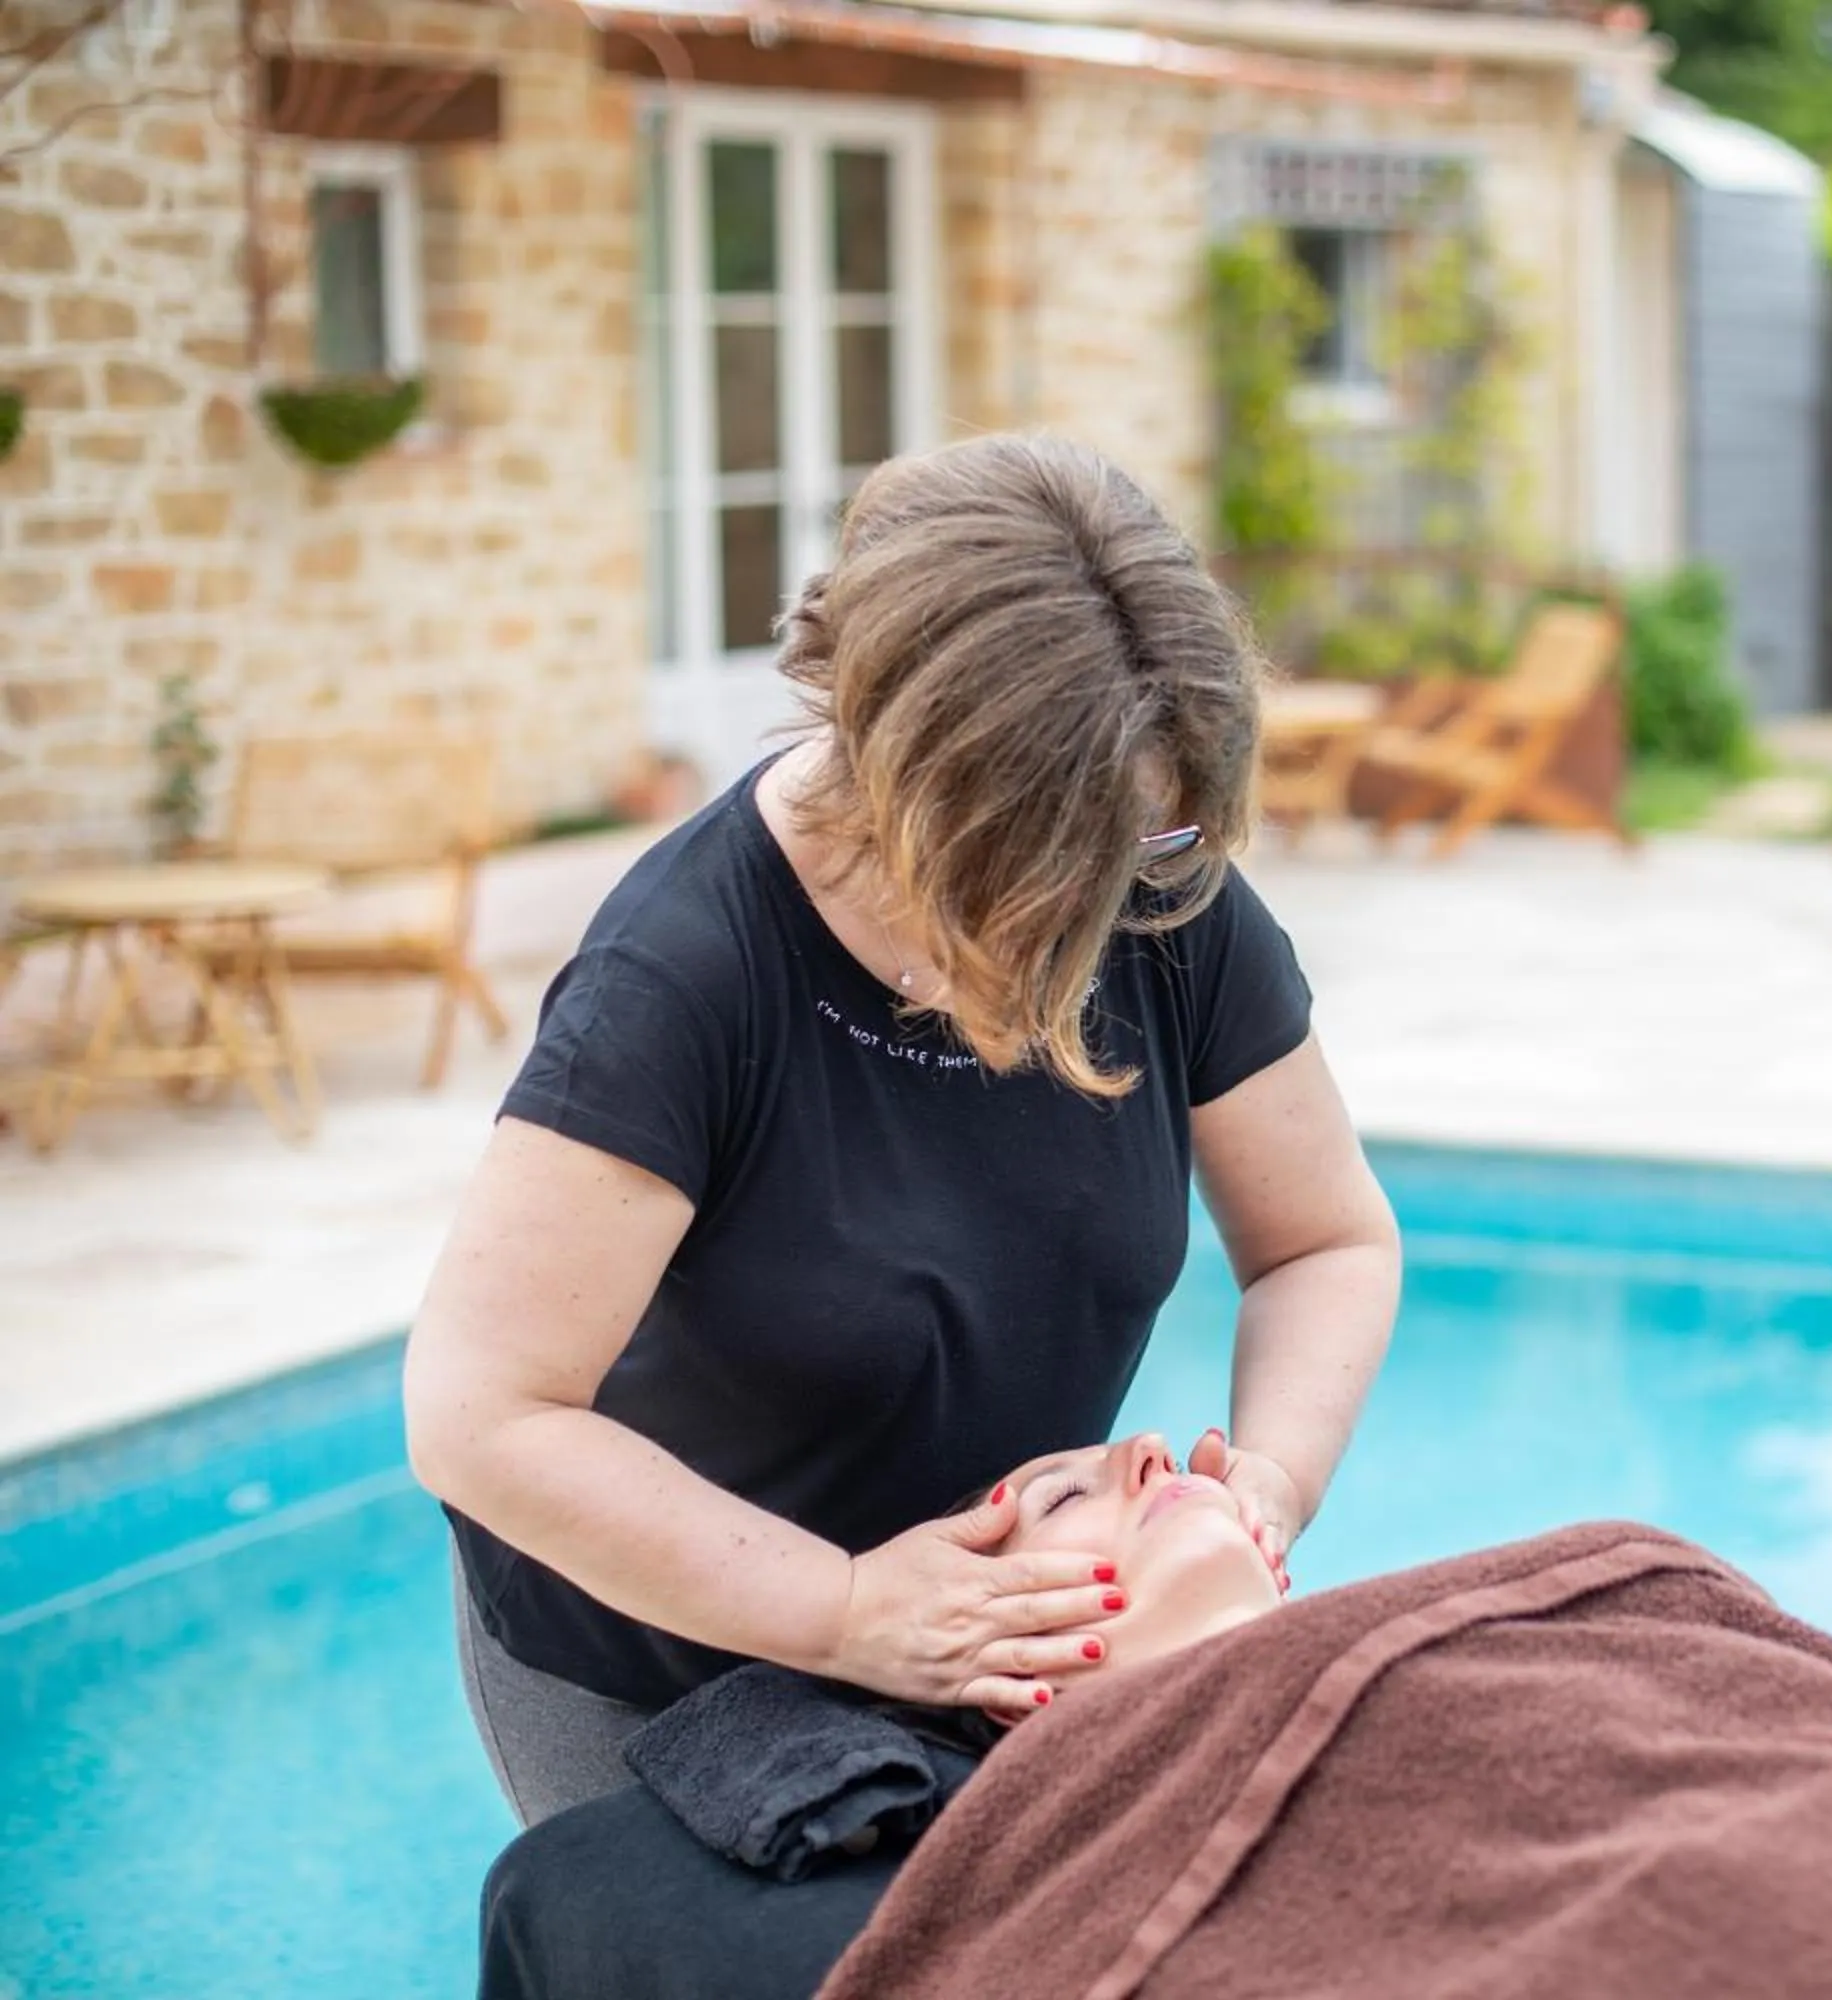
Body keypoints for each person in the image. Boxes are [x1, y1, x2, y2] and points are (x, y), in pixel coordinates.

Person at [405, 433, 1402, 1830]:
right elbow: (480, 1416)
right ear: (922, 795)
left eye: (1156, 849)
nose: (1116, 908)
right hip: (662, 1666)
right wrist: (848, 1607)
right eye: (1068, 868)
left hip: (992, 1663)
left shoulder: (1160, 894)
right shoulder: (685, 979)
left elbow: (1324, 1241)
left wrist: (1266, 1493)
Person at [480, 1439, 1832, 2000]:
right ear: (1025, 1635)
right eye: (1110, 1477)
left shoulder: (1529, 1621)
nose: (1186, 1460)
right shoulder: (1128, 1785)